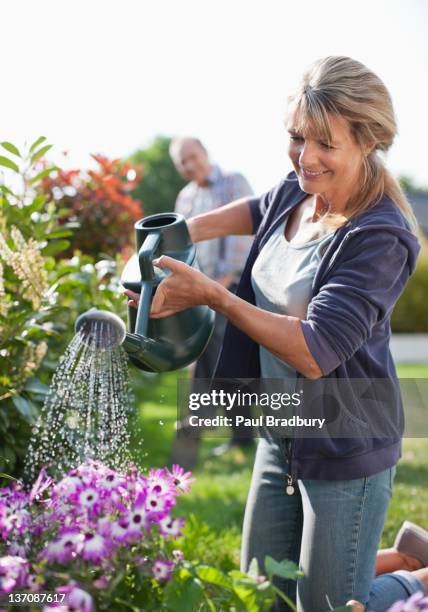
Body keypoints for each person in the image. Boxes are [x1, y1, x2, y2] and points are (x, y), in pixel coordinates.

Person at [124, 56, 423, 610]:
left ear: (368, 141)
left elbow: (315, 350)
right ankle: (391, 564)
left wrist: (213, 295)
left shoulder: (380, 235)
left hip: (344, 442)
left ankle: (415, 582)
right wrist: (176, 234)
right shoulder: (299, 189)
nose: (305, 158)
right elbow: (261, 208)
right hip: (281, 430)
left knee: (330, 607)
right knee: (261, 594)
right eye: (296, 138)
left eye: (325, 144)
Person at [169, 137, 255, 465]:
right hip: (199, 295)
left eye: (193, 157)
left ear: (205, 153)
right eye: (182, 163)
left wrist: (220, 285)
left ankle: (228, 435)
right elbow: (181, 246)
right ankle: (202, 436)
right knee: (206, 361)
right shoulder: (186, 197)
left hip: (232, 288)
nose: (189, 166)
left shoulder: (234, 183)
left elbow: (243, 235)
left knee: (223, 361)